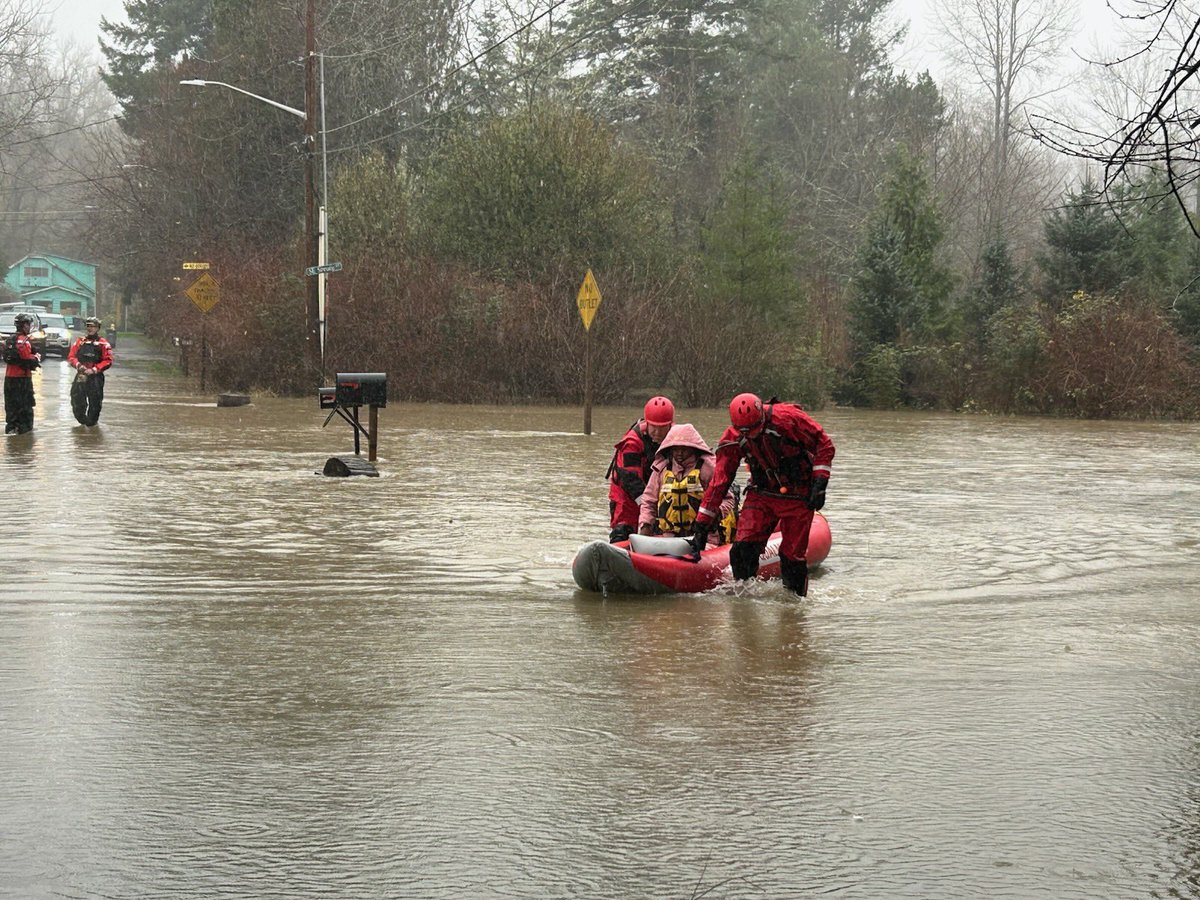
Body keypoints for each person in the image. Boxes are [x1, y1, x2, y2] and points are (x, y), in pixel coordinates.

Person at [689, 393, 835, 596]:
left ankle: (794, 607)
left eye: (756, 431)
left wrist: (820, 483)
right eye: (747, 433)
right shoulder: (733, 439)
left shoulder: (788, 418)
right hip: (762, 493)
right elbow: (720, 481)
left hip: (798, 494)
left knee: (792, 556)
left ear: (762, 416)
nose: (753, 436)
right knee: (742, 550)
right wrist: (702, 525)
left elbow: (824, 445)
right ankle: (743, 602)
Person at [637, 423, 737, 547]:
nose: (679, 453)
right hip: (670, 537)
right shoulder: (661, 470)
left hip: (704, 537)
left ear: (693, 448)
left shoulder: (707, 469)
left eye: (684, 449)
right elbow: (648, 501)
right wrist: (645, 525)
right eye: (675, 449)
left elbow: (728, 499)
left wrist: (716, 515)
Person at [606, 395, 674, 543]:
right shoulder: (632, 442)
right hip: (627, 496)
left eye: (662, 428)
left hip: (658, 492)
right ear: (646, 423)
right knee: (624, 529)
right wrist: (648, 509)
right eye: (654, 427)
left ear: (670, 425)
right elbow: (630, 478)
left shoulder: (678, 438)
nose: (657, 432)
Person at [67, 317, 114, 426]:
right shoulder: (80, 341)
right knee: (77, 400)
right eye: (88, 326)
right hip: (81, 374)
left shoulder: (103, 343)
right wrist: (79, 366)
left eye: (92, 326)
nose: (90, 328)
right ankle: (82, 423)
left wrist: (94, 370)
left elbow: (108, 360)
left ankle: (92, 425)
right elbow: (71, 356)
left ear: (97, 328)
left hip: (96, 377)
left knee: (95, 402)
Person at [4, 312, 42, 434]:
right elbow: (27, 358)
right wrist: (36, 357)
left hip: (9, 379)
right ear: (24, 325)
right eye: (28, 324)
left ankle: (11, 428)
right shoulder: (24, 341)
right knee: (25, 407)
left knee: (11, 406)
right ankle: (24, 432)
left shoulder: (10, 340)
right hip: (22, 379)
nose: (30, 326)